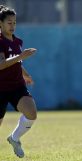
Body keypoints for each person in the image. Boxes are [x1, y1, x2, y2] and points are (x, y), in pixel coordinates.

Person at [0, 6, 37, 158]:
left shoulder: (18, 41)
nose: (13, 26)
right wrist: (21, 56)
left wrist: (26, 75)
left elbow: (16, 63)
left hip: (16, 86)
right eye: (9, 23)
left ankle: (14, 139)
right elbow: (1, 64)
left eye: (14, 22)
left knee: (31, 113)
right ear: (0, 24)